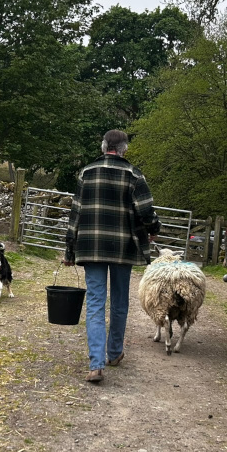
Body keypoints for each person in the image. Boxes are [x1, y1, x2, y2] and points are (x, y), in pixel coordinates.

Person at [64, 130, 161, 383]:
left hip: (91, 246)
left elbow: (75, 214)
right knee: (119, 301)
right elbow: (147, 211)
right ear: (124, 149)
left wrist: (69, 251)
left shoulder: (86, 172)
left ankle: (96, 365)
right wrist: (153, 230)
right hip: (123, 248)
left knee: (96, 302)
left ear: (104, 146)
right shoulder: (135, 175)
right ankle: (115, 353)